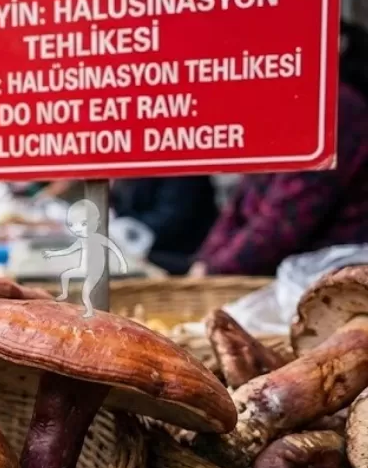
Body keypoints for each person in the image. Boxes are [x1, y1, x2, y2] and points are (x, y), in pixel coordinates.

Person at [191, 21, 368, 277]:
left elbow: (287, 218)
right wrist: (205, 261)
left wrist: (215, 269)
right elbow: (242, 202)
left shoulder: (337, 108)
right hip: (268, 274)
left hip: (323, 280)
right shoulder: (287, 105)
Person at [110, 176, 217, 275]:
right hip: (144, 247)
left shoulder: (182, 174)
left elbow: (171, 220)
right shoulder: (130, 176)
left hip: (179, 255)